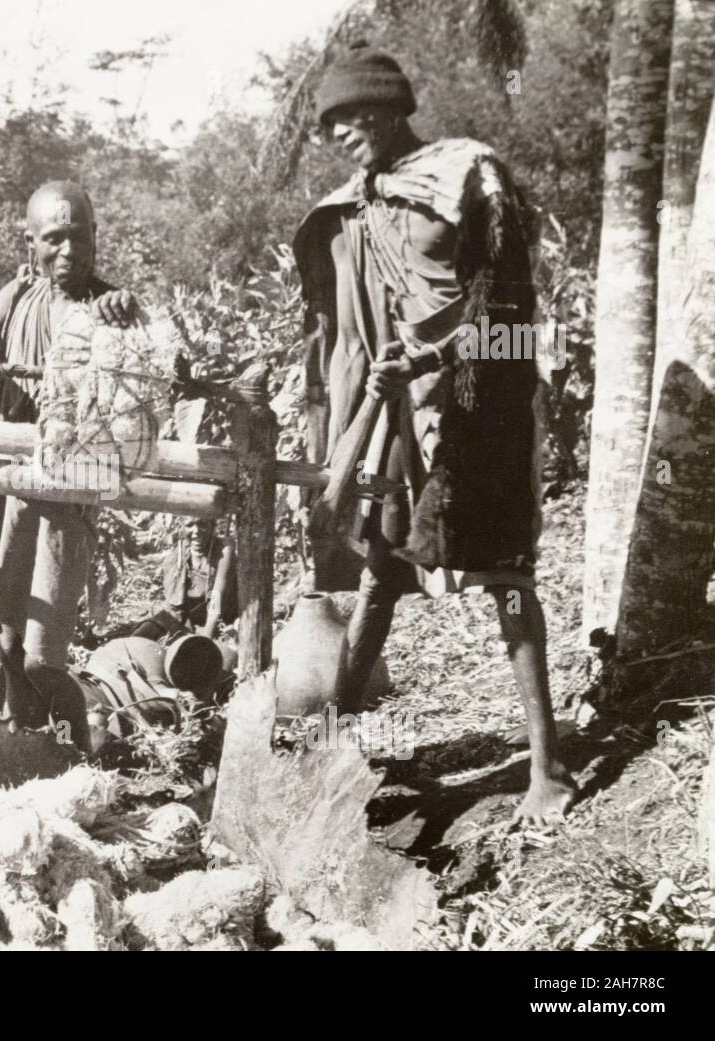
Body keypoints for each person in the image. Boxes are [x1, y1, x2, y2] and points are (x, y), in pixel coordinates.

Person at [293, 42, 576, 825]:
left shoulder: (466, 175)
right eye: (331, 124)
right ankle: (330, 746)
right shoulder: (356, 205)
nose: (342, 133)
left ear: (392, 107)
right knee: (382, 570)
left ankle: (548, 768)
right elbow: (340, 331)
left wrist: (438, 355)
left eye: (353, 115)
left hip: (480, 407)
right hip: (396, 416)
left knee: (507, 577)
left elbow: (512, 310)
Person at [0, 180, 139, 747]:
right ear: (31, 245)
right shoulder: (17, 298)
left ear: (97, 239)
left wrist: (124, 320)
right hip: (9, 490)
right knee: (7, 645)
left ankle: (82, 758)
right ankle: (33, 750)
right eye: (54, 239)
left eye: (81, 237)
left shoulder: (110, 306)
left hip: (65, 499)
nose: (69, 251)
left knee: (44, 659)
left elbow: (151, 363)